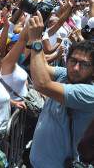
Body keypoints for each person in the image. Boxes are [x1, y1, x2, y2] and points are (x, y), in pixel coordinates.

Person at [27, 11, 94, 168]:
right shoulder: (66, 75)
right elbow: (41, 67)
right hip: (36, 161)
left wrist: (37, 40)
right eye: (73, 61)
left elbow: (41, 83)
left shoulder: (89, 93)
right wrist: (30, 38)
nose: (76, 68)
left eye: (84, 64)